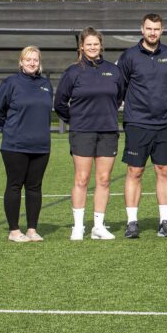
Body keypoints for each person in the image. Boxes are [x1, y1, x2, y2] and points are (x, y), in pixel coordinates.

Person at [54, 27, 126, 241]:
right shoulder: (73, 72)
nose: (93, 47)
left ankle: (98, 226)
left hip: (108, 131)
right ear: (81, 46)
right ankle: (78, 226)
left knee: (104, 180)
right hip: (82, 132)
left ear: (101, 45)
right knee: (82, 179)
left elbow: (119, 97)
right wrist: (75, 120)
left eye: (96, 44)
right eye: (89, 44)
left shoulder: (113, 71)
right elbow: (60, 103)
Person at [117, 13, 167, 239]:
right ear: (142, 29)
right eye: (149, 28)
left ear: (162, 31)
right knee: (135, 171)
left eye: (157, 29)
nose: (153, 32)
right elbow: (119, 88)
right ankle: (132, 222)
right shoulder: (129, 56)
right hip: (137, 123)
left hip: (165, 123)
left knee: (165, 170)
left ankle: (165, 221)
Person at [0, 46, 54, 242]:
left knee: (35, 187)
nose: (32, 63)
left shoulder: (46, 84)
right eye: (28, 59)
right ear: (21, 62)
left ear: (39, 62)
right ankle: (14, 231)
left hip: (41, 146)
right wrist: (11, 130)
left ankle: (32, 230)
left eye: (35, 60)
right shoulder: (10, 83)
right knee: (14, 186)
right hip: (15, 145)